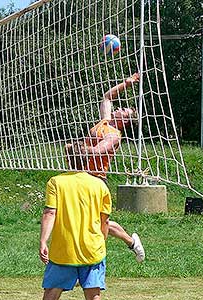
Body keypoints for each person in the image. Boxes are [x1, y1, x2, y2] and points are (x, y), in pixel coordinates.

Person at [74, 73, 145, 263]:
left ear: (125, 121)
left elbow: (97, 152)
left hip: (97, 180)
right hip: (82, 177)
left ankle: (99, 258)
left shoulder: (114, 135)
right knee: (90, 222)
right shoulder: (104, 122)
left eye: (124, 111)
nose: (119, 109)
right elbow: (107, 97)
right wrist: (126, 83)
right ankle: (131, 243)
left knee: (99, 223)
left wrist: (78, 149)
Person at [40, 142, 111, 300]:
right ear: (87, 159)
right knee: (93, 294)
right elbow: (104, 222)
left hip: (64, 249)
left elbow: (50, 213)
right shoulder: (100, 185)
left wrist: (43, 241)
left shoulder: (56, 182)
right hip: (92, 249)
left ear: (67, 159)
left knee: (51, 293)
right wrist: (101, 242)